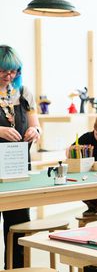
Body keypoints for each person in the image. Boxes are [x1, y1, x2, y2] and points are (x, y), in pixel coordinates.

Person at [0, 45, 41, 268]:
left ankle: (17, 269)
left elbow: (36, 125)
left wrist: (35, 131)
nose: (10, 76)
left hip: (17, 168)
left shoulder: (24, 93)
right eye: (4, 71)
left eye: (14, 71)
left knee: (18, 225)